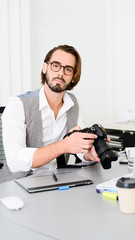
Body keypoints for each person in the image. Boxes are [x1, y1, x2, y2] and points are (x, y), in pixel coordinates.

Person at [0, 44, 100, 183]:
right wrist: (64, 145)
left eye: (68, 69)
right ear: (45, 67)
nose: (60, 73)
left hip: (57, 180)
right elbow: (15, 160)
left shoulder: (73, 103)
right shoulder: (17, 104)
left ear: (73, 77)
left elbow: (79, 149)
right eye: (55, 65)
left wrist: (90, 154)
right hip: (17, 183)